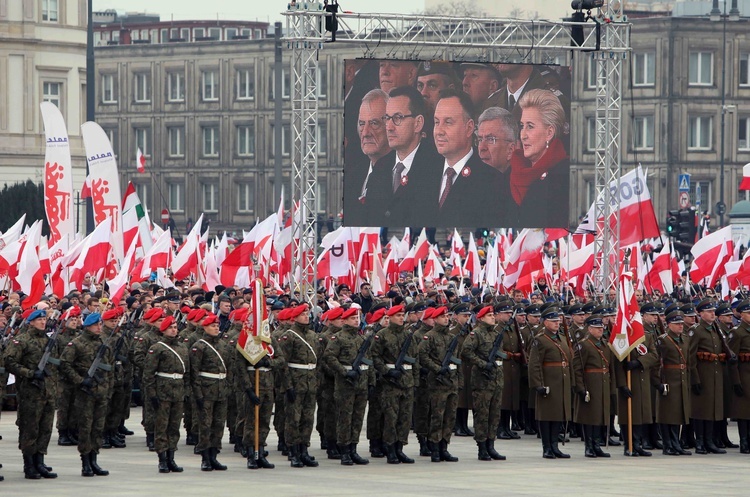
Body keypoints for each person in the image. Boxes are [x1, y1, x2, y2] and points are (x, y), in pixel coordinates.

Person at [368, 85, 441, 226]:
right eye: (387, 118)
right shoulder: (380, 168)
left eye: (397, 118)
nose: (389, 127)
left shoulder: (438, 166)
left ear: (418, 123)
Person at [427, 89, 497, 227]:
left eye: (448, 122)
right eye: (436, 122)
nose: (439, 131)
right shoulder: (424, 176)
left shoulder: (492, 182)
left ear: (469, 128)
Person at [3, 309, 59, 479]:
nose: (43, 322)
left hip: (47, 391)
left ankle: (39, 461)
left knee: (45, 428)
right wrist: (29, 373)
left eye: (44, 319)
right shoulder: (22, 340)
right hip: (30, 392)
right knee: (30, 429)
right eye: (39, 320)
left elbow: (54, 366)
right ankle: (29, 464)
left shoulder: (49, 341)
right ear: (31, 322)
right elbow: (9, 361)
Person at [60, 312, 113, 477]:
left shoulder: (104, 343)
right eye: (97, 325)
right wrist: (80, 380)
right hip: (85, 393)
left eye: (100, 324)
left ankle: (94, 459)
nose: (100, 327)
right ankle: (85, 462)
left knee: (98, 427)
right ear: (88, 326)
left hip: (101, 392)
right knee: (85, 427)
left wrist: (108, 389)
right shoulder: (76, 344)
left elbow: (109, 368)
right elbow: (65, 365)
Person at [508, 89, 570, 228]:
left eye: (530, 126)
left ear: (549, 133)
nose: (523, 135)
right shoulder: (511, 172)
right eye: (522, 126)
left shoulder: (565, 177)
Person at [323, 307, 373, 466]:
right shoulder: (338, 338)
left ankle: (353, 449)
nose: (356, 321)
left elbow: (368, 361)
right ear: (344, 321)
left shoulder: (361, 339)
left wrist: (371, 382)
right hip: (345, 385)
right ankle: (344, 451)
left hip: (361, 384)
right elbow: (329, 357)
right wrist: (344, 372)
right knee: (345, 418)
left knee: (357, 419)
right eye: (353, 319)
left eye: (357, 318)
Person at [371, 304, 419, 464]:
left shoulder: (408, 335)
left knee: (404, 418)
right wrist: (387, 371)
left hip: (407, 381)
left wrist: (415, 382)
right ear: (390, 317)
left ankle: (400, 448)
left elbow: (415, 359)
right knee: (391, 417)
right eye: (397, 315)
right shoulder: (382, 335)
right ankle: (390, 449)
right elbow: (375, 357)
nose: (401, 318)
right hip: (390, 382)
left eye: (402, 315)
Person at [143, 315, 190, 473]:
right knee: (162, 426)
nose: (174, 329)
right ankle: (162, 459)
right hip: (163, 391)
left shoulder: (182, 348)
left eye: (175, 327)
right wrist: (152, 394)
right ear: (163, 329)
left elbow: (187, 372)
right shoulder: (157, 348)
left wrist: (187, 391)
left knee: (174, 426)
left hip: (178, 391)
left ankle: (171, 457)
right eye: (170, 327)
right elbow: (148, 374)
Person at [528, 306, 575, 459]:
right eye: (553, 321)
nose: (557, 323)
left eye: (558, 321)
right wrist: (538, 384)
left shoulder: (561, 338)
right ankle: (546, 447)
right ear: (545, 322)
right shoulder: (540, 339)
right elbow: (534, 364)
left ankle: (555, 446)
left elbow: (569, 361)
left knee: (558, 415)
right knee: (546, 416)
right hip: (548, 382)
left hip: (561, 382)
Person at [461, 305, 506, 461]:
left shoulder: (496, 333)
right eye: (489, 315)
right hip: (482, 381)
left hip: (496, 380)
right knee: (482, 415)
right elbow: (466, 351)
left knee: (494, 415)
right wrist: (482, 363)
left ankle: (491, 445)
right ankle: (482, 448)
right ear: (481, 318)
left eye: (493, 315)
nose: (493, 317)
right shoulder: (476, 334)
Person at [344, 89, 395, 226]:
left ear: (390, 126)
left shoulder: (401, 175)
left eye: (374, 123)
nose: (365, 133)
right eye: (362, 124)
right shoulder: (352, 176)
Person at [278, 304, 320, 468]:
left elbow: (318, 360)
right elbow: (283, 364)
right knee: (293, 419)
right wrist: (287, 386)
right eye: (302, 314)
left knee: (307, 418)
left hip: (310, 383)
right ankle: (293, 451)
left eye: (307, 314)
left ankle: (304, 450)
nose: (306, 316)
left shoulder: (312, 335)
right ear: (294, 317)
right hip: (296, 383)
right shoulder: (289, 336)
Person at [418, 306, 461, 462]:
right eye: (443, 317)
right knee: (437, 416)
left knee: (450, 417)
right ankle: (435, 448)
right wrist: (437, 369)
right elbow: (422, 356)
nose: (446, 319)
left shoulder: (451, 338)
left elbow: (458, 360)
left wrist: (458, 380)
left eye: (447, 316)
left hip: (451, 382)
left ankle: (444, 447)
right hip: (437, 383)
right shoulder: (429, 337)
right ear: (435, 319)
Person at [191, 313, 232, 471]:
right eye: (212, 326)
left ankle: (214, 455)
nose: (216, 328)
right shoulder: (199, 346)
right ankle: (205, 458)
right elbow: (194, 372)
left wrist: (227, 387)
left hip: (221, 390)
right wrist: (198, 394)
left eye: (217, 325)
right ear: (205, 328)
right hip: (206, 391)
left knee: (219, 424)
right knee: (206, 425)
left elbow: (229, 368)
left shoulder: (223, 345)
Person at [689, 299, 729, 455]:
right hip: (702, 374)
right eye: (709, 311)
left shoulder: (715, 330)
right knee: (701, 410)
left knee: (712, 409)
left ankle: (709, 441)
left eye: (713, 311)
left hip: (715, 374)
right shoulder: (696, 330)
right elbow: (691, 356)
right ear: (701, 313)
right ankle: (700, 442)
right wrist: (695, 378)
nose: (713, 314)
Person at [572, 315, 615, 458]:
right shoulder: (584, 344)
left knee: (600, 415)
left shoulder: (604, 344)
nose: (600, 330)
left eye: (601, 327)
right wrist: (580, 387)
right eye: (597, 328)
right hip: (590, 383)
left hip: (602, 383)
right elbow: (577, 368)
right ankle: (589, 446)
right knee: (589, 416)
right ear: (589, 329)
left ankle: (597, 445)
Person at [656, 311, 693, 456]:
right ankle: (668, 444)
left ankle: (676, 443)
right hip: (668, 379)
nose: (680, 326)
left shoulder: (684, 339)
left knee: (678, 413)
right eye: (677, 324)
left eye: (681, 324)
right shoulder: (663, 340)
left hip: (681, 379)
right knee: (667, 414)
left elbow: (688, 361)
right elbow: (657, 362)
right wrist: (658, 382)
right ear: (669, 324)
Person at [476, 106, 518, 221]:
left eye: (490, 139)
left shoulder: (521, 192)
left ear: (510, 150)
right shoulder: (471, 184)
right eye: (480, 140)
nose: (482, 148)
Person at [728, 299, 750, 453]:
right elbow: (732, 358)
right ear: (742, 315)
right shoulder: (737, 332)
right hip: (744, 375)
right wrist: (736, 381)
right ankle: (744, 441)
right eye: (748, 313)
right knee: (744, 412)